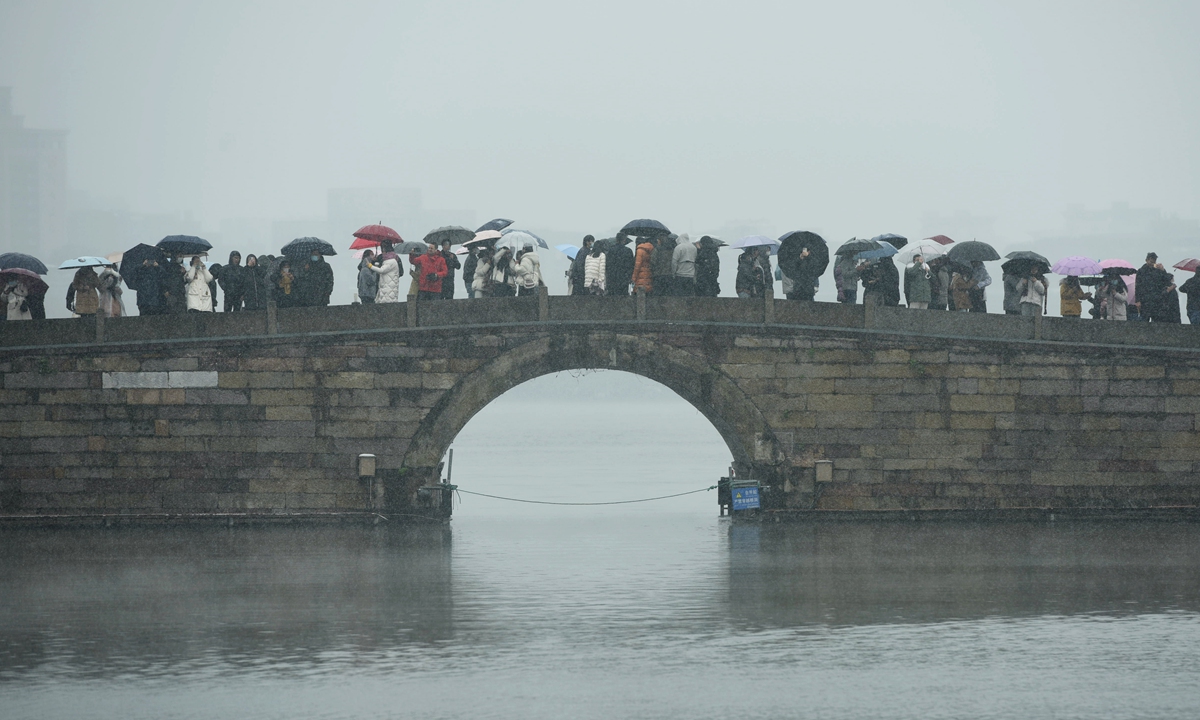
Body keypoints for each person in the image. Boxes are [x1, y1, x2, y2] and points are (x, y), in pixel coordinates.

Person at [1135, 253, 1164, 321]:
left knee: (1156, 321)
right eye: (1151, 261)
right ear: (1146, 260)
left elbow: (1164, 281)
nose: (1152, 264)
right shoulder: (1141, 271)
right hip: (1144, 300)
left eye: (1154, 262)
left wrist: (1163, 270)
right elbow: (1138, 286)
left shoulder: (1158, 271)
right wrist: (1138, 300)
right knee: (1144, 320)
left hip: (1156, 300)